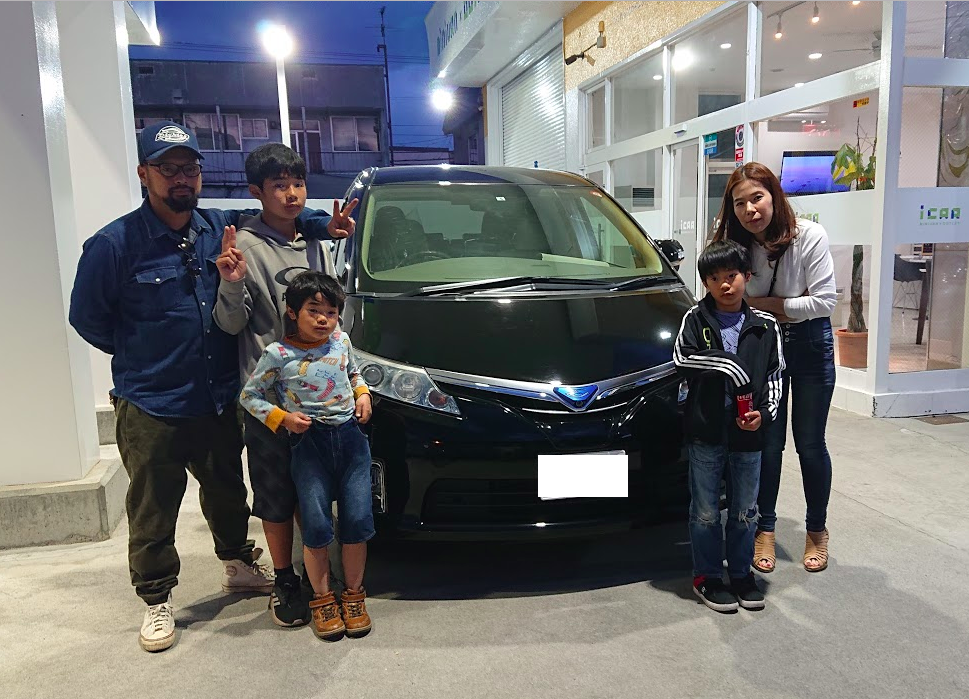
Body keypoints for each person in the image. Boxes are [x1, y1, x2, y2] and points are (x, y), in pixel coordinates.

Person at [68, 121, 356, 653]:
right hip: (152, 398)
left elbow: (281, 213)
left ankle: (237, 563)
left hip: (219, 394)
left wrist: (323, 223)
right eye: (168, 168)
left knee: (228, 490)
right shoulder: (114, 244)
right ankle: (157, 597)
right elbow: (87, 319)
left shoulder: (216, 226)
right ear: (144, 174)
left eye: (190, 168)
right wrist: (142, 354)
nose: (181, 178)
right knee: (154, 504)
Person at [213, 142, 357, 628]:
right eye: (279, 185)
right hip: (272, 406)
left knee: (317, 494)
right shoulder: (245, 246)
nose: (292, 194)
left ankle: (322, 576)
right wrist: (232, 281)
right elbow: (231, 324)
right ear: (257, 191)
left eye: (298, 183)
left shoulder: (316, 239)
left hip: (321, 406)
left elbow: (334, 316)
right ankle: (284, 579)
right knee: (276, 498)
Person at [711, 162, 838, 574]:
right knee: (767, 442)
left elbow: (824, 303)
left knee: (810, 444)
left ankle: (816, 530)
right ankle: (764, 528)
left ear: (775, 196)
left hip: (810, 346)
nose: (750, 209)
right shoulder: (736, 246)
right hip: (764, 347)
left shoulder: (809, 236)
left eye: (757, 198)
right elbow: (721, 296)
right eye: (740, 203)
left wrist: (764, 305)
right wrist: (785, 307)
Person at [240, 271, 374, 641]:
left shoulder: (341, 341)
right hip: (309, 445)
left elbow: (353, 373)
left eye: (330, 312)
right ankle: (322, 598)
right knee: (315, 526)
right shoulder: (278, 354)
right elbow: (249, 396)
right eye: (313, 311)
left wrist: (363, 394)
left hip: (351, 441)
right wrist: (282, 419)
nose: (323, 319)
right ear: (292, 312)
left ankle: (354, 595)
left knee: (357, 520)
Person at [674, 240, 784, 613]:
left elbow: (775, 375)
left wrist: (763, 414)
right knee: (705, 510)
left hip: (749, 436)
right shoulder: (695, 318)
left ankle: (740, 574)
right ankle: (706, 576)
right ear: (706, 282)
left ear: (747, 276)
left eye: (732, 275)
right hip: (706, 431)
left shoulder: (766, 325)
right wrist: (729, 365)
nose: (725, 284)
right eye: (715, 278)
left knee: (745, 510)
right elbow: (681, 358)